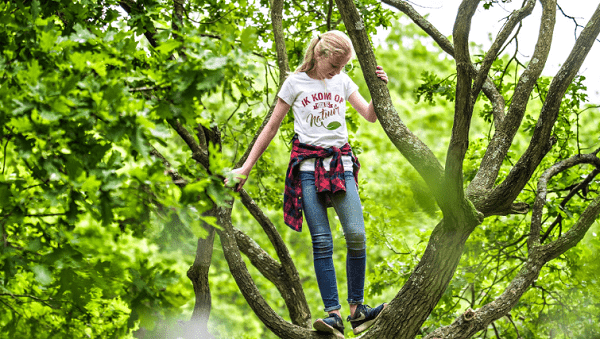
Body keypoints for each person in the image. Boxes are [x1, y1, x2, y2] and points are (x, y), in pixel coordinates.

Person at [225, 30, 388, 338]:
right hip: (309, 168)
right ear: (319, 54)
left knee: (355, 234)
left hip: (341, 164)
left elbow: (369, 115)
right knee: (323, 241)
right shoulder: (295, 83)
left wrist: (380, 90)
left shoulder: (342, 81)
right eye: (334, 65)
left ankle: (358, 310)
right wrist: (246, 167)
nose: (337, 72)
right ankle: (334, 315)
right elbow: (272, 127)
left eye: (343, 67)